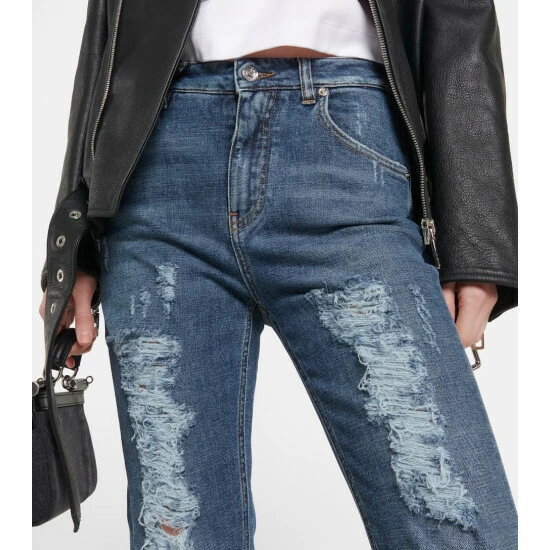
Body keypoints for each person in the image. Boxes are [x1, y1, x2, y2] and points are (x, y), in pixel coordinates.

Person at [38, 0, 518, 548]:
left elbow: (460, 22)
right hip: (156, 171)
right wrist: (76, 239)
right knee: (178, 534)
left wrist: (477, 244)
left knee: (457, 524)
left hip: (346, 157)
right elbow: (107, 32)